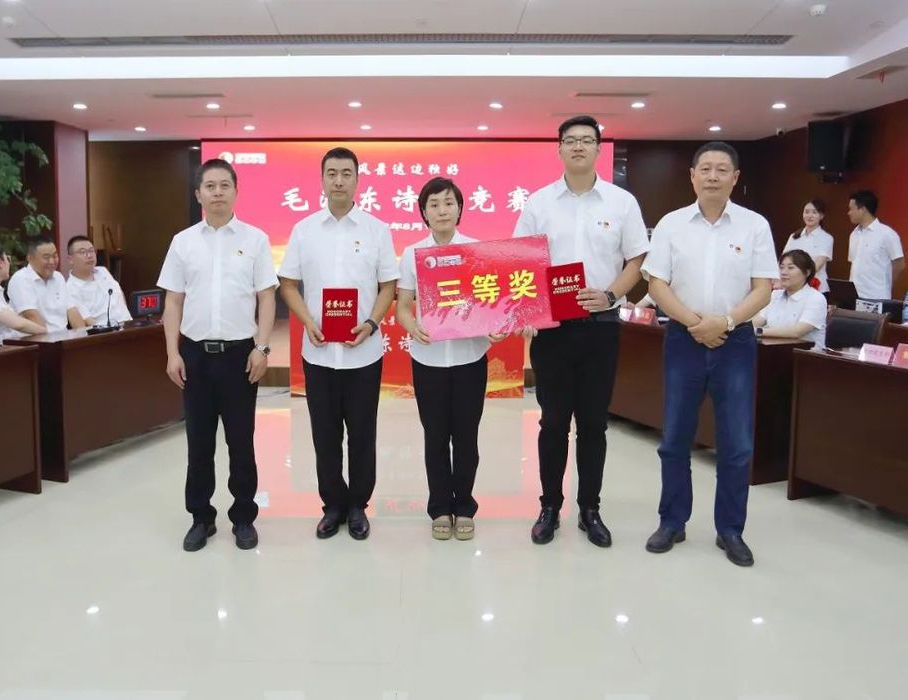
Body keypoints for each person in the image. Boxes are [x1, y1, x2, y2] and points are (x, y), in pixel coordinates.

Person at [513, 115, 650, 546]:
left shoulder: (621, 202)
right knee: (553, 422)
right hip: (553, 330)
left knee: (594, 424)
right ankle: (549, 506)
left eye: (586, 140)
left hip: (600, 328)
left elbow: (637, 260)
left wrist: (610, 295)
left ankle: (590, 508)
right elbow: (521, 261)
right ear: (559, 149)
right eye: (570, 140)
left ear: (598, 149)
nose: (577, 147)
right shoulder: (539, 203)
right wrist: (529, 312)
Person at [641, 141, 777, 568]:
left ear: (735, 178)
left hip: (735, 343)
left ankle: (730, 530)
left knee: (736, 443)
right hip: (684, 339)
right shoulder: (671, 224)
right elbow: (656, 284)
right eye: (706, 168)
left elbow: (764, 287)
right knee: (674, 439)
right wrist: (694, 323)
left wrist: (727, 322)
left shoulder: (754, 226)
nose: (713, 176)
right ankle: (672, 521)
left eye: (722, 169)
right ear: (693, 176)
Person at [157, 158, 278, 552]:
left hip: (239, 355)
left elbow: (266, 297)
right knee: (199, 444)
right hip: (195, 356)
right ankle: (201, 518)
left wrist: (262, 347)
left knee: (241, 442)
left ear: (236, 191)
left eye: (225, 185)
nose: (218, 192)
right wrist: (172, 353)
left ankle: (243, 517)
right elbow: (173, 301)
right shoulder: (183, 242)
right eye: (210, 186)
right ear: (198, 194)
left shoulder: (256, 239)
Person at [278, 147, 398, 541]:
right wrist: (308, 321)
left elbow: (388, 285)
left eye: (346, 173)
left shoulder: (377, 229)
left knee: (362, 434)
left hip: (363, 353)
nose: (339, 181)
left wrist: (371, 322)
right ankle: (332, 506)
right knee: (324, 435)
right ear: (322, 179)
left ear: (358, 179)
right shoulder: (304, 229)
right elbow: (288, 284)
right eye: (332, 173)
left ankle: (358, 506)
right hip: (318, 353)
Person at [396, 177, 506, 541]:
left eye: (448, 203)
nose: (442, 210)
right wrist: (412, 326)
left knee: (466, 437)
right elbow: (403, 305)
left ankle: (465, 507)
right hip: (428, 359)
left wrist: (496, 328)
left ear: (460, 208)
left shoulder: (476, 251)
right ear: (423, 212)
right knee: (435, 437)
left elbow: (492, 304)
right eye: (434, 205)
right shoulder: (412, 254)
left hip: (469, 357)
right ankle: (440, 508)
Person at [7, 235, 86, 333]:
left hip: (63, 337)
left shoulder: (58, 277)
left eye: (55, 256)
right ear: (30, 258)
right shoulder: (21, 279)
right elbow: (32, 317)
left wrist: (83, 336)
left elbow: (72, 311)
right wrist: (53, 342)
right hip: (36, 338)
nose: (52, 261)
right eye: (46, 257)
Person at [753, 250, 827, 348]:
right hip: (773, 349)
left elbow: (797, 332)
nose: (783, 272)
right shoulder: (775, 294)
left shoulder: (816, 298)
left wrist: (757, 331)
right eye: (781, 267)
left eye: (790, 268)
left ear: (807, 272)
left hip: (804, 354)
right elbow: (758, 320)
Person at [847, 190, 905, 300]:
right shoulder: (853, 235)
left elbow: (899, 263)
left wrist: (888, 284)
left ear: (863, 209)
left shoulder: (887, 234)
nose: (848, 213)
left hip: (877, 296)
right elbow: (854, 264)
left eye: (851, 209)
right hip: (855, 297)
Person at [65, 236, 132, 326]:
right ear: (70, 259)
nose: (89, 256)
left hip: (129, 325)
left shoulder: (103, 271)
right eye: (83, 252)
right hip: (106, 331)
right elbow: (88, 321)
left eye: (91, 251)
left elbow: (120, 295)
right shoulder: (70, 289)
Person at [783, 199, 834, 295]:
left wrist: (797, 278)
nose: (810, 216)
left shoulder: (826, 238)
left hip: (817, 288)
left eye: (814, 212)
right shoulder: (794, 236)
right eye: (806, 212)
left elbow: (816, 266)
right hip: (793, 287)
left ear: (821, 216)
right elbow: (783, 260)